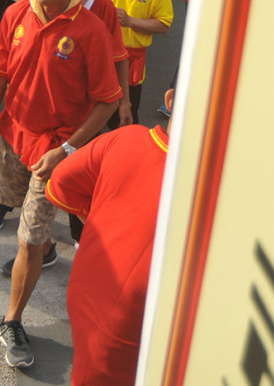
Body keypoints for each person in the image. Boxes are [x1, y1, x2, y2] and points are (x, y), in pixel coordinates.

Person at [0, 0, 121, 369]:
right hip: (13, 138)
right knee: (14, 208)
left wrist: (68, 149)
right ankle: (47, 253)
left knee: (29, 237)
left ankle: (12, 320)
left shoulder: (90, 31)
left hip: (54, 153)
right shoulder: (17, 14)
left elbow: (108, 99)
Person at [46, 88, 174, 386]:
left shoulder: (126, 138)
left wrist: (100, 219)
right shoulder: (221, 183)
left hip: (94, 299)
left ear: (169, 100)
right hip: (124, 327)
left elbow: (62, 181)